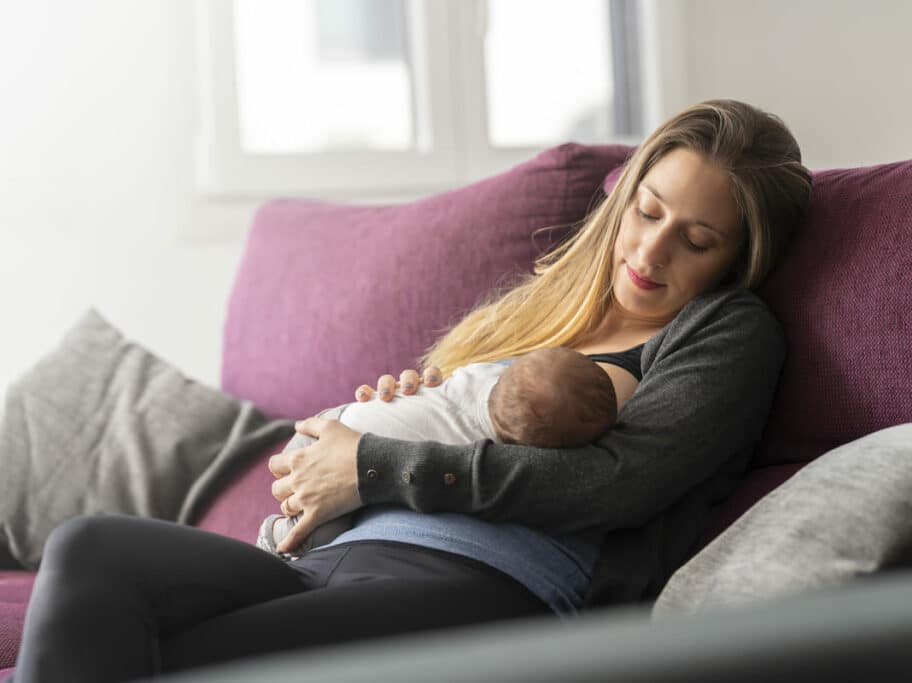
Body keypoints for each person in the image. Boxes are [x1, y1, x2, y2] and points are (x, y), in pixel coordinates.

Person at [9, 99, 812, 682]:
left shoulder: (726, 330)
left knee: (161, 661)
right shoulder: (543, 313)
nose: (651, 249)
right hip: (333, 562)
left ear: (735, 260)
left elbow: (618, 483)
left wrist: (377, 463)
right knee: (89, 549)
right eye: (647, 211)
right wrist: (401, 414)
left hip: (478, 583)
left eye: (696, 239)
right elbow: (442, 421)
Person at [257, 346, 623, 558]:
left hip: (330, 420)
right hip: (334, 456)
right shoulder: (482, 448)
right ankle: (273, 536)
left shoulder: (484, 372)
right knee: (315, 538)